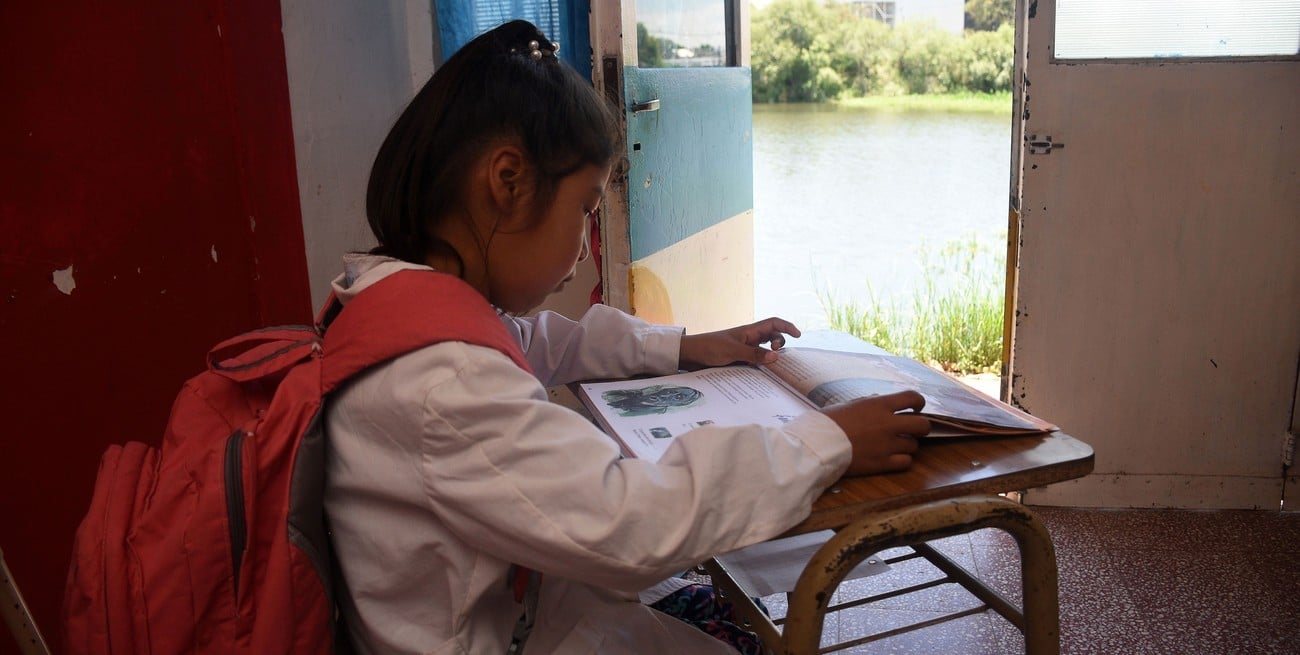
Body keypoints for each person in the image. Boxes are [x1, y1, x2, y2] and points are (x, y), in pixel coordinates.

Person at [322, 19, 930, 655]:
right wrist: (823, 443)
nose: (586, 246)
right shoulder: (444, 383)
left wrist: (681, 347)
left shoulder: (389, 300)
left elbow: (542, 342)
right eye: (585, 208)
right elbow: (630, 523)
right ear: (507, 183)